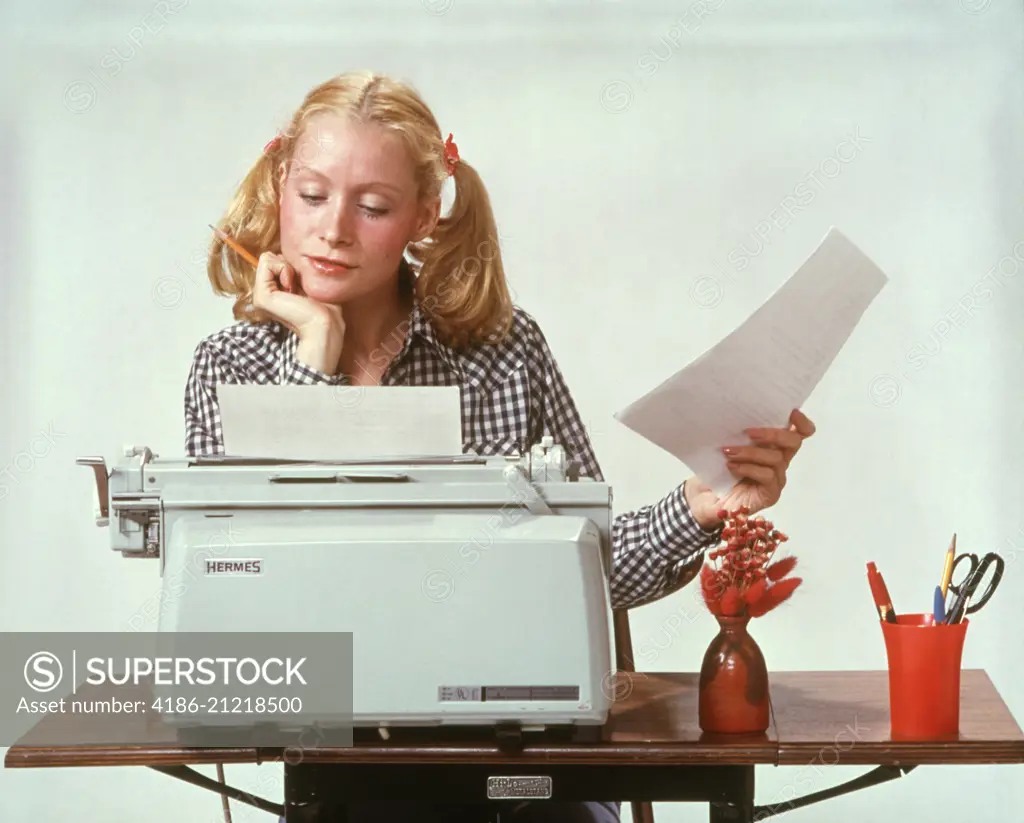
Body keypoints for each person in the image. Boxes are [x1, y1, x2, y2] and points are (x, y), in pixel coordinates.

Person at [183, 70, 815, 823]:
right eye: (313, 195)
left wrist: (699, 505)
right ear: (280, 183)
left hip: (519, 766)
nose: (334, 229)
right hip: (337, 770)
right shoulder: (227, 367)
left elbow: (593, 572)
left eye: (374, 206)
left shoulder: (505, 352)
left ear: (423, 214)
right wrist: (313, 349)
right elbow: (245, 607)